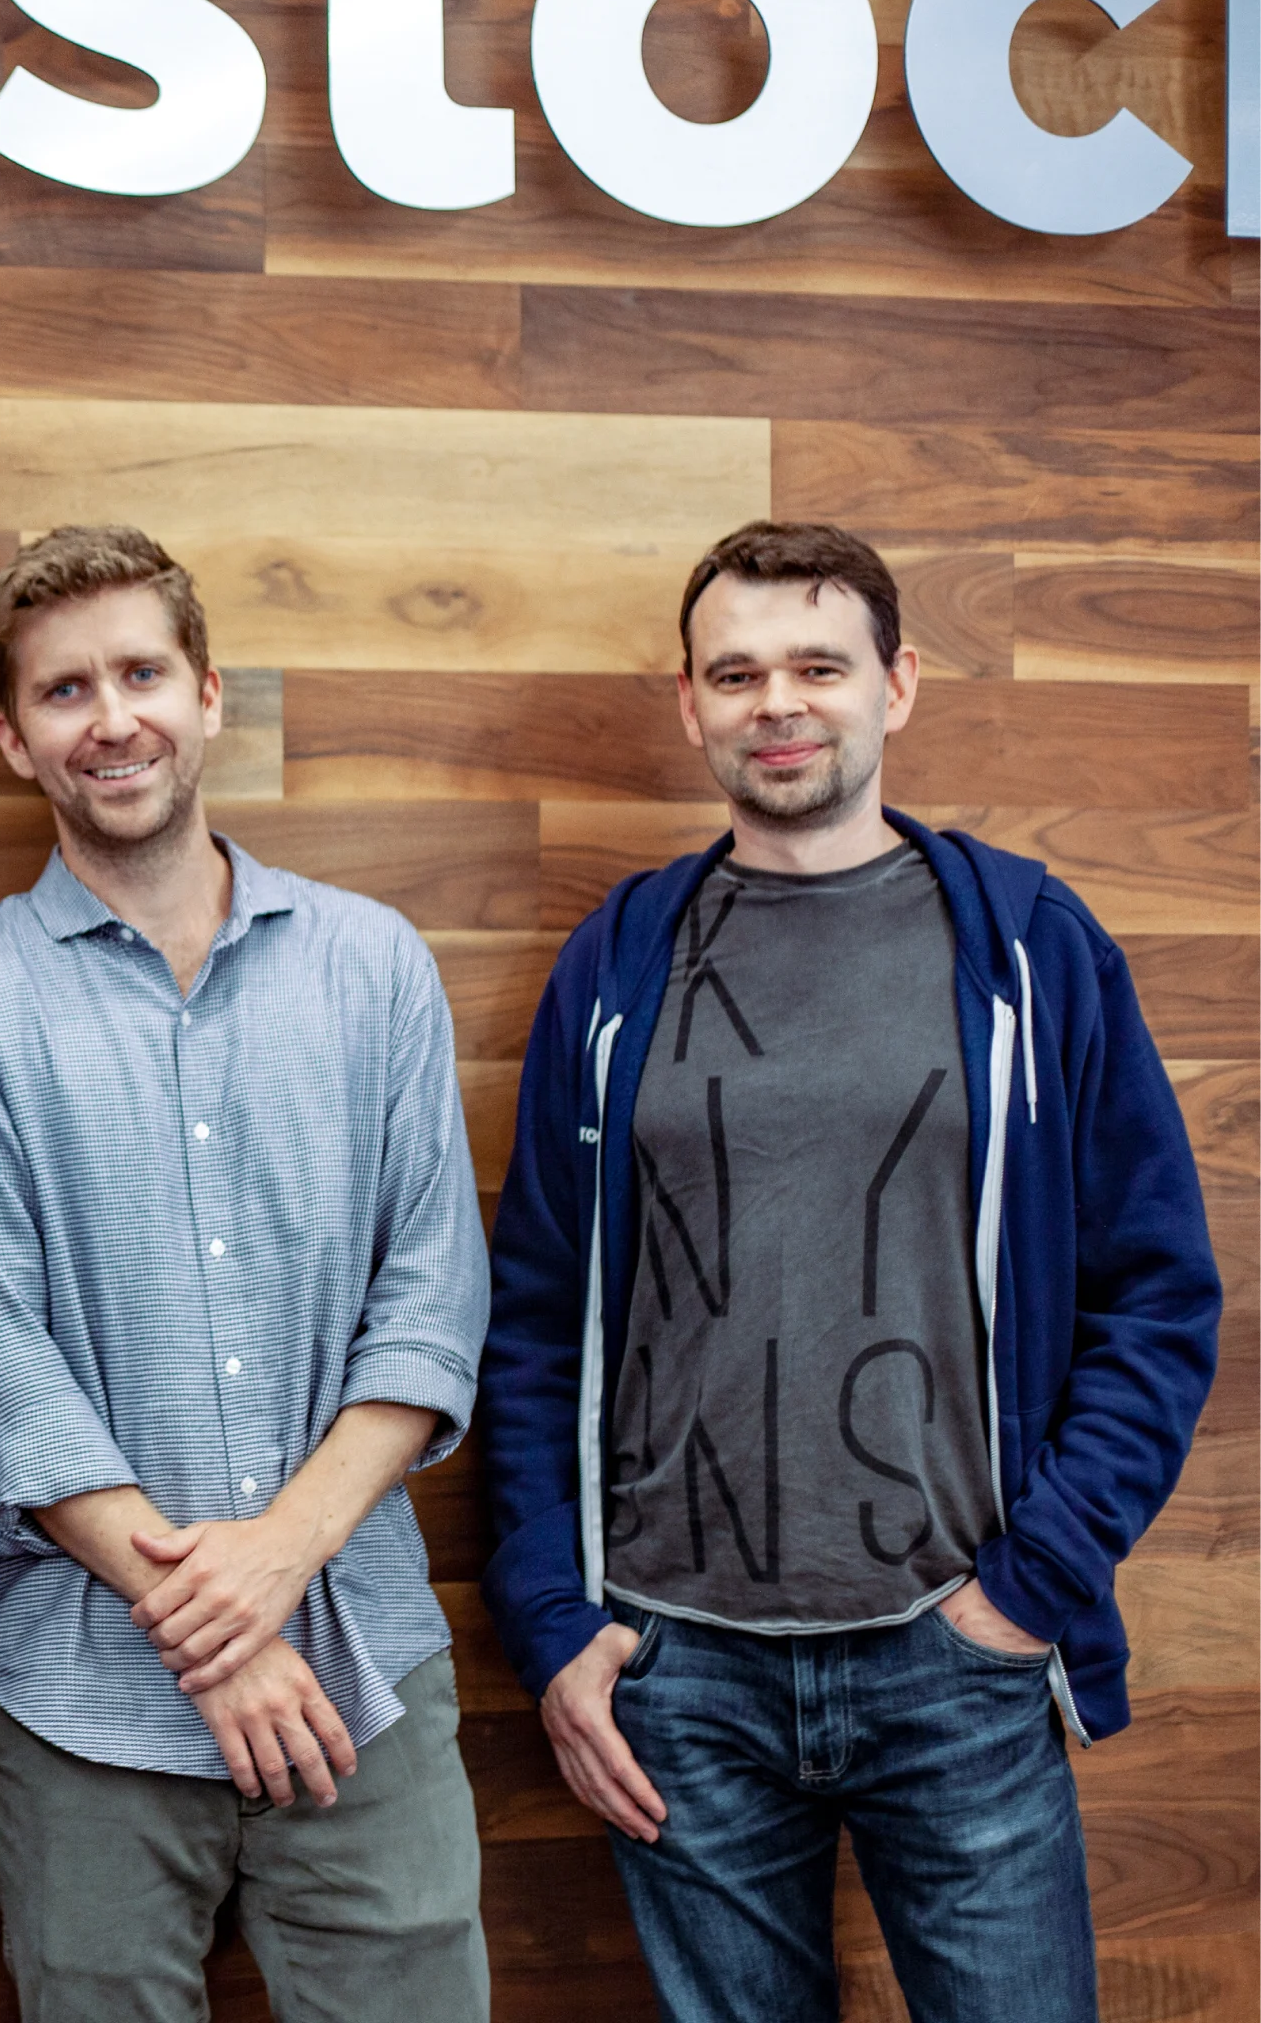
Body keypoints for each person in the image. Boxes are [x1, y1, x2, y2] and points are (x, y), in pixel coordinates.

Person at [480, 522, 1224, 2022]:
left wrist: (1035, 1586)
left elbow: (1157, 1296)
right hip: (677, 1676)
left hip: (956, 1653)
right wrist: (558, 1626)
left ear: (898, 685)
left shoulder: (1027, 947)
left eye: (819, 664)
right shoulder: (620, 961)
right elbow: (538, 1321)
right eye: (736, 671)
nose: (779, 702)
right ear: (688, 705)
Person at [0, 526, 493, 2022]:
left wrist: (280, 1559)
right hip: (77, 1696)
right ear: (13, 737)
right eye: (64, 691)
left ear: (211, 695)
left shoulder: (373, 966)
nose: (112, 719)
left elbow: (430, 1308)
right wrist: (219, 1637)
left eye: (143, 673)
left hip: (365, 1665)